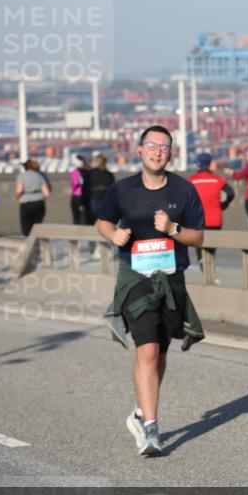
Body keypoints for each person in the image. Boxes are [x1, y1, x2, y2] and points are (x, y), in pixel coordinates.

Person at [95, 125, 206, 456]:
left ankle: (141, 411)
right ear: (140, 151)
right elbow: (103, 221)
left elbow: (198, 237)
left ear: (171, 154)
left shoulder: (184, 190)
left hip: (171, 279)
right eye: (152, 146)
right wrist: (112, 235)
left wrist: (172, 228)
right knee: (146, 351)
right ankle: (150, 430)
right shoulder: (122, 190)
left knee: (160, 351)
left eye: (165, 147)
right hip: (136, 277)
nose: (158, 151)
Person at [188, 152, 235, 285]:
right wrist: (223, 205)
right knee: (211, 249)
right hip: (215, 219)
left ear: (197, 164)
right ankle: (211, 273)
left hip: (197, 221)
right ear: (209, 164)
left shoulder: (191, 181)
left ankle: (207, 272)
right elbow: (231, 193)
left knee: (199, 248)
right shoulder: (218, 180)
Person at [82, 154, 116, 258]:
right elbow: (114, 190)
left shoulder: (90, 174)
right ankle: (107, 249)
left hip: (94, 200)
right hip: (107, 202)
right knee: (107, 225)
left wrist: (82, 203)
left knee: (95, 225)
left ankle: (95, 249)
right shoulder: (109, 174)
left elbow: (85, 190)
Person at [15, 159, 50, 236]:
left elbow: (19, 191)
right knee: (37, 226)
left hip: (26, 203)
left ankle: (28, 243)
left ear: (25, 167)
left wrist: (17, 197)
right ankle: (36, 243)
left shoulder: (21, 176)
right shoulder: (40, 176)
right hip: (39, 203)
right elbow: (47, 193)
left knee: (26, 226)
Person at [69, 154, 88, 225]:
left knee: (76, 218)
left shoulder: (74, 172)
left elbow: (75, 183)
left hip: (77, 196)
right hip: (86, 196)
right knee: (85, 217)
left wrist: (72, 189)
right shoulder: (87, 171)